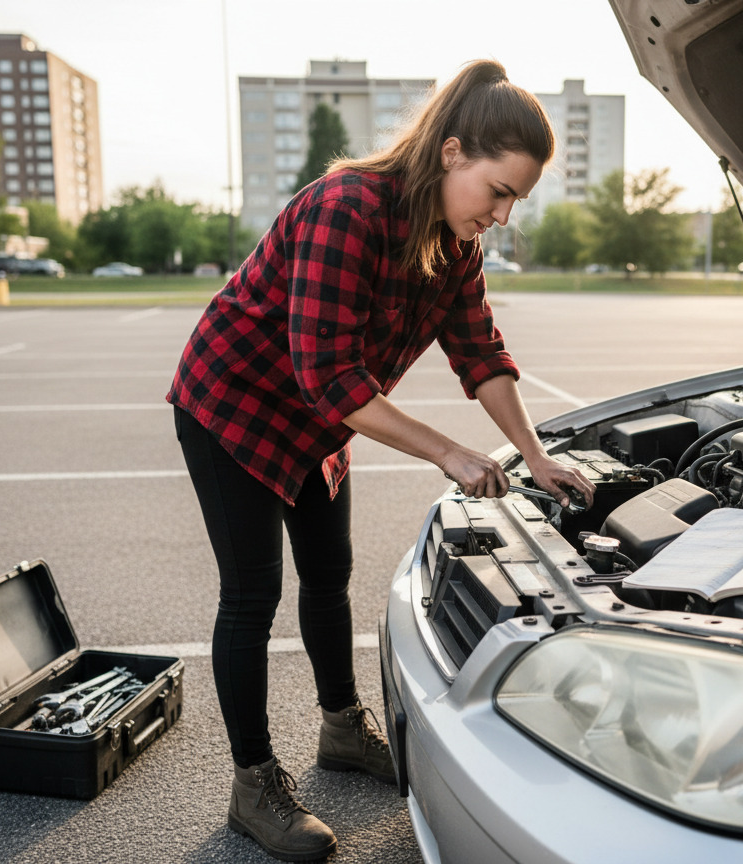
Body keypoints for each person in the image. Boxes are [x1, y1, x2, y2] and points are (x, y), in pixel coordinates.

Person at [168, 59, 596, 861]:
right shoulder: (348, 207)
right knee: (253, 593)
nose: (502, 215)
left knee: (329, 573)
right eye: (498, 190)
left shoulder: (455, 246)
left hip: (321, 418)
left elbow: (482, 354)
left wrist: (535, 457)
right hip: (234, 404)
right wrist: (447, 452)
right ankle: (252, 785)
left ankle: (338, 729)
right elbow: (327, 374)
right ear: (452, 153)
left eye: (516, 200)